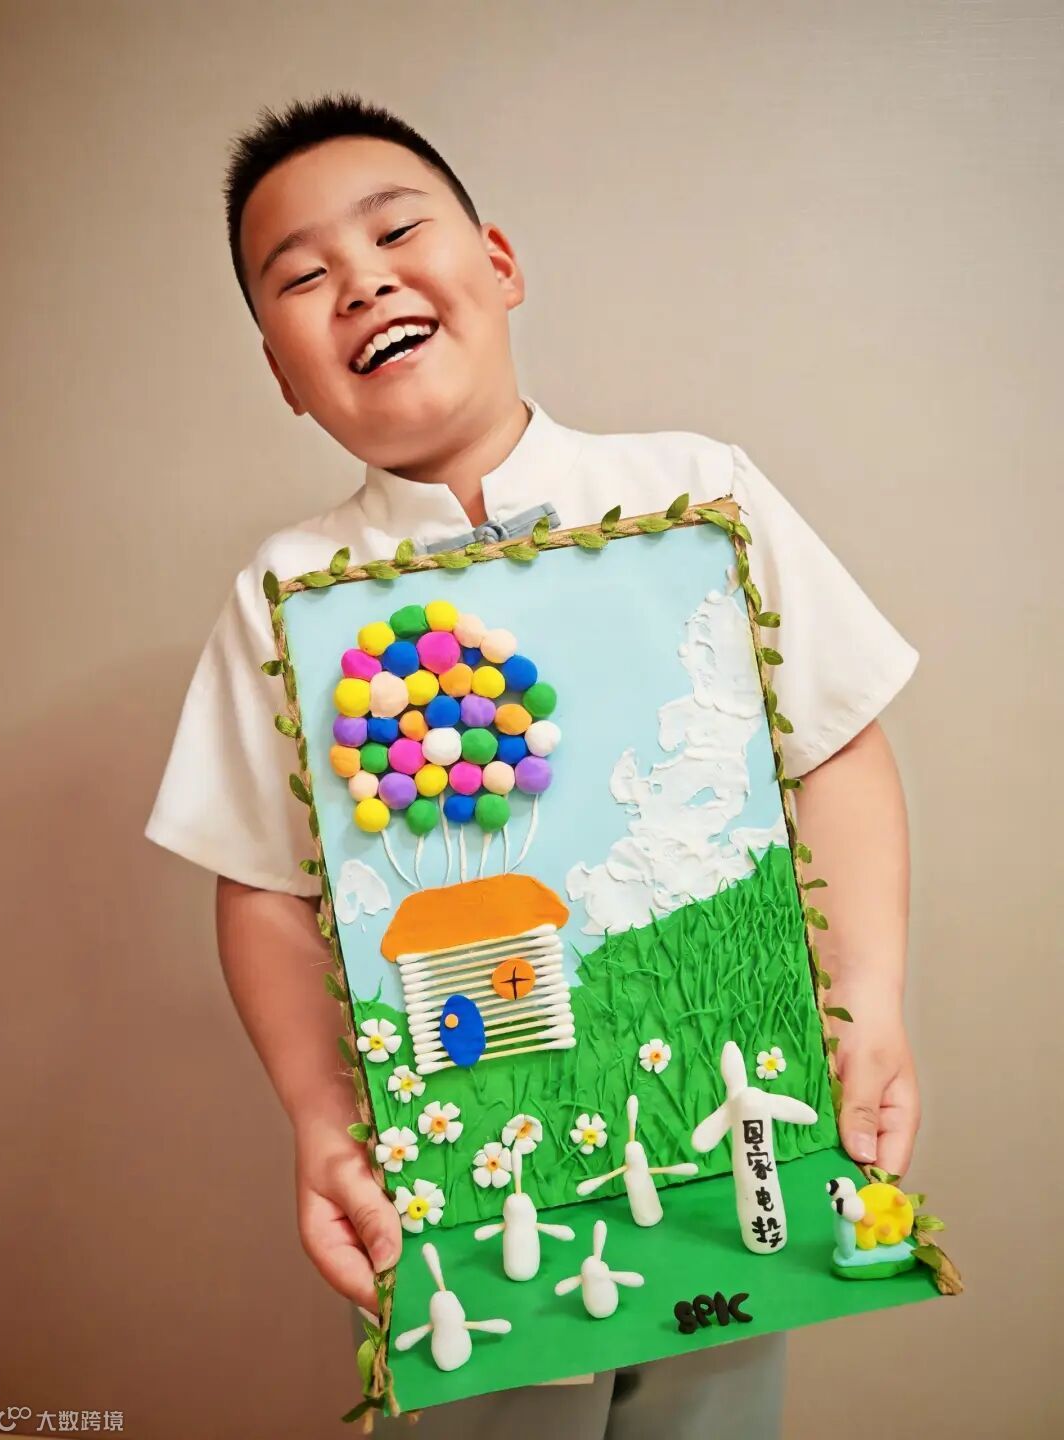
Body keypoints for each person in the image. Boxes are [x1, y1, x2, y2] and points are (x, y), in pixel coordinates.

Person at [146, 93, 920, 1438]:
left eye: (395, 233)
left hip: (737, 1148)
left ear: (497, 264)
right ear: (283, 373)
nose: (362, 281)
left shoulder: (695, 492)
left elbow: (835, 744)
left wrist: (870, 1000)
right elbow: (262, 883)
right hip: (449, 1192)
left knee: (718, 1394)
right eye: (304, 278)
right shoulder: (287, 591)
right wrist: (322, 1121)